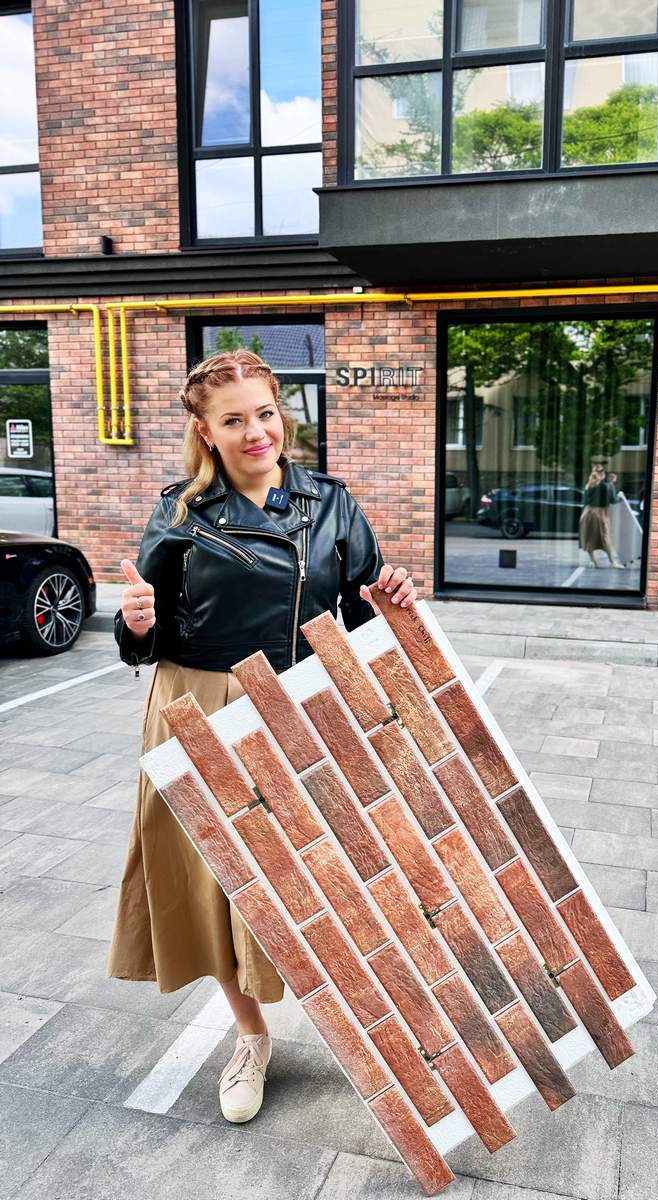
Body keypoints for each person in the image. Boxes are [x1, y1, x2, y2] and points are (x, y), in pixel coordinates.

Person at [106, 349, 417, 1125]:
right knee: (215, 882)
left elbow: (367, 613)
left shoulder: (332, 504)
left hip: (304, 705)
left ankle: (370, 1023)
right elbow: (147, 634)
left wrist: (393, 597)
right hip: (199, 702)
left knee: (328, 877)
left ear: (284, 414)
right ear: (206, 432)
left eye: (265, 413)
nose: (256, 432)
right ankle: (250, 1037)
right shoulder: (179, 513)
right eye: (234, 419)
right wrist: (133, 626)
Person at [578, 464, 624, 568]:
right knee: (605, 538)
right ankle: (613, 562)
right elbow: (613, 500)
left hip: (587, 513)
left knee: (589, 539)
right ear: (602, 474)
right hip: (600, 514)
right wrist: (620, 495)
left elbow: (585, 501)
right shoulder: (608, 486)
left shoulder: (588, 485)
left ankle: (593, 562)